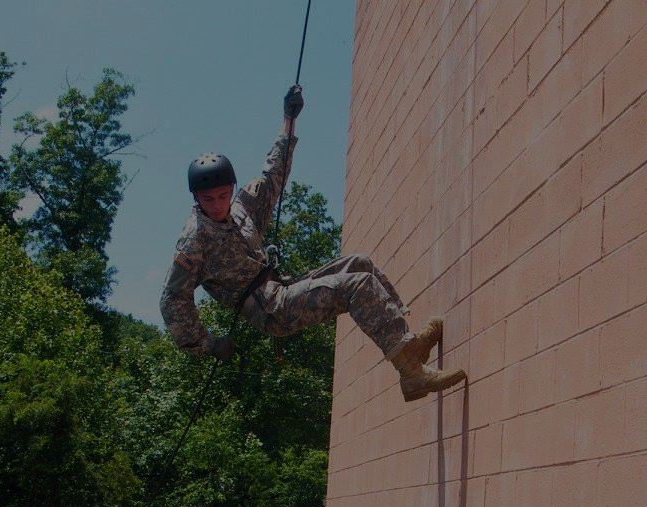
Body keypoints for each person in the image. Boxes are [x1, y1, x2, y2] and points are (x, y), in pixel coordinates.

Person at [160, 85, 467, 402]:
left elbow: (273, 172)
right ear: (195, 197)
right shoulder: (195, 237)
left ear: (232, 188)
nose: (217, 204)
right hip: (271, 309)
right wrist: (207, 344)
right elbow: (172, 299)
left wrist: (288, 119)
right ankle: (410, 373)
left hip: (283, 286)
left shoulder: (241, 209)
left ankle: (410, 346)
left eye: (223, 195)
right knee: (357, 285)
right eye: (208, 199)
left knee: (359, 263)